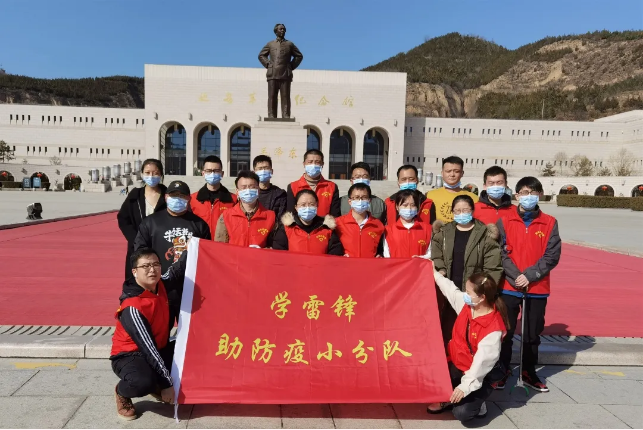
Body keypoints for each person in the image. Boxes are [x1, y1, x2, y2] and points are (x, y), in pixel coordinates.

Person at [496, 176, 561, 392]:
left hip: (537, 288)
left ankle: (528, 372)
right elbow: (500, 252)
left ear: (540, 195)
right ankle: (502, 370)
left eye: (533, 192)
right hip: (509, 286)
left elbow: (552, 255)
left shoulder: (549, 222)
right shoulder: (504, 221)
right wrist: (516, 276)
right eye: (524, 192)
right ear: (517, 195)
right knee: (505, 331)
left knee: (532, 334)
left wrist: (531, 276)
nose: (529, 196)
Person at [427, 272, 509, 422]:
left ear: (482, 297)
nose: (465, 294)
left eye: (469, 292)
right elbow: (451, 291)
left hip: (479, 373)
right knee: (429, 378)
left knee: (461, 412)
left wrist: (464, 387)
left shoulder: (493, 329)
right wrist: (433, 272)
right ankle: (449, 396)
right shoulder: (468, 306)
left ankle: (479, 401)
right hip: (458, 364)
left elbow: (480, 365)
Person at [111, 248, 176, 420]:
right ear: (135, 272)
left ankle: (156, 382)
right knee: (142, 382)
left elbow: (178, 269)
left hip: (159, 348)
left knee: (191, 348)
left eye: (155, 264)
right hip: (130, 355)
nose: (152, 270)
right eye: (145, 266)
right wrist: (167, 384)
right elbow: (149, 349)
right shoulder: (132, 306)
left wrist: (195, 244)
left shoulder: (161, 285)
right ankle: (122, 391)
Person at [134, 180, 211, 327]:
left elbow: (207, 257)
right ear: (166, 197)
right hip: (161, 287)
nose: (177, 199)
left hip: (190, 289)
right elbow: (140, 252)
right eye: (173, 195)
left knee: (192, 331)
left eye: (182, 196)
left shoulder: (199, 225)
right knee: (160, 331)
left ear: (189, 199)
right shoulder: (151, 222)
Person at [431, 195, 503, 348]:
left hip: (473, 293)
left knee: (471, 332)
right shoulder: (443, 233)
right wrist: (441, 269)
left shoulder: (484, 234)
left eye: (465, 210)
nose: (461, 213)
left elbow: (493, 267)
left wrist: (482, 290)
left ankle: (470, 360)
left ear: (472, 210)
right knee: (448, 330)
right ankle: (449, 359)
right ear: (452, 212)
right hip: (449, 290)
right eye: (457, 211)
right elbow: (436, 255)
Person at [117, 159, 167, 279]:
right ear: (142, 174)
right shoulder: (135, 196)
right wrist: (136, 239)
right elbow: (123, 219)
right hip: (138, 248)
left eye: (155, 173)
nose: (151, 176)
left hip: (162, 246)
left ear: (161, 174)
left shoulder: (168, 196)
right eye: (147, 173)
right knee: (137, 280)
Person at [214, 171, 276, 248]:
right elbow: (220, 247)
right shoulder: (226, 216)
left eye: (252, 187)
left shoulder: (270, 217)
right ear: (237, 191)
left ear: (258, 190)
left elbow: (276, 247)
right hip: (234, 256)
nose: (248, 190)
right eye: (243, 187)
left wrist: (263, 251)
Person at [273, 189, 344, 255]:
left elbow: (335, 254)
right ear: (296, 207)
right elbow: (279, 254)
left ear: (317, 205)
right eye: (303, 205)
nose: (307, 208)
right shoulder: (286, 229)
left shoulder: (327, 228)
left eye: (311, 204)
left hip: (321, 264)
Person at [190, 155, 237, 237]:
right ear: (203, 173)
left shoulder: (233, 200)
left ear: (222, 174)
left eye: (216, 171)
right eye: (208, 171)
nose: (212, 174)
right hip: (201, 242)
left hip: (222, 243)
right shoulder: (193, 199)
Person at [286, 149, 340, 217]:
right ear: (304, 164)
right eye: (310, 162)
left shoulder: (332, 187)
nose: (313, 165)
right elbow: (291, 213)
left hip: (324, 223)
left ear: (322, 164)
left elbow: (335, 215)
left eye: (317, 162)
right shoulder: (293, 186)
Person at [336, 183, 385, 258]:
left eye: (364, 197)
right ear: (350, 201)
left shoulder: (378, 225)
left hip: (369, 264)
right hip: (346, 264)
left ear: (369, 200)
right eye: (356, 197)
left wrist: (380, 254)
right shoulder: (338, 223)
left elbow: (382, 248)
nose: (360, 200)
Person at [426, 156, 478, 223]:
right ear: (442, 173)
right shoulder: (430, 195)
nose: (452, 174)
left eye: (456, 171)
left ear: (462, 173)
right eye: (448, 171)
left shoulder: (474, 198)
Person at [382, 190, 432, 258]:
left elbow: (431, 253)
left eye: (413, 205)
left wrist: (421, 258)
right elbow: (386, 255)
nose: (409, 208)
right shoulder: (388, 230)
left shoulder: (427, 229)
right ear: (397, 207)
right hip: (397, 265)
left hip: (419, 264)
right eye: (405, 205)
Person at [253, 155, 287, 221]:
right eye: (260, 169)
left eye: (266, 168)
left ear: (271, 171)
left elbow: (281, 218)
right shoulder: (250, 193)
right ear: (254, 172)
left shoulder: (280, 194)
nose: (263, 171)